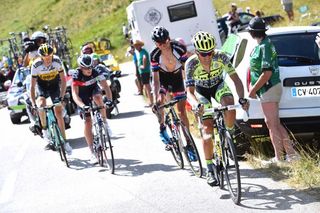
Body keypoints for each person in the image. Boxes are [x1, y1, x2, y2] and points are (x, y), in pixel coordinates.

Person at [185, 31, 249, 186]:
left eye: (210, 52)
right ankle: (209, 168)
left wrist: (241, 98)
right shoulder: (191, 64)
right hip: (201, 92)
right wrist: (196, 105)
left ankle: (229, 134)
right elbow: (189, 92)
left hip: (218, 85)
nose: (207, 56)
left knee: (229, 103)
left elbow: (236, 81)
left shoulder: (221, 57)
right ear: (196, 51)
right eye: (203, 54)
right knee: (207, 133)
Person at [247, 17, 298, 162]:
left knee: (271, 124)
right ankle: (291, 155)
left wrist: (253, 89)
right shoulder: (264, 44)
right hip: (269, 88)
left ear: (252, 32)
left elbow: (267, 72)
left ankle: (279, 157)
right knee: (274, 123)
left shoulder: (265, 46)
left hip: (268, 88)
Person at [150, 26, 195, 160]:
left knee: (181, 111)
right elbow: (156, 79)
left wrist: (189, 85)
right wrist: (156, 96)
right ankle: (162, 126)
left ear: (169, 39)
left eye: (165, 41)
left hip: (177, 78)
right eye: (159, 43)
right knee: (159, 102)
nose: (163, 45)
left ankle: (189, 142)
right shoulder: (154, 55)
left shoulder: (179, 48)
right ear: (156, 44)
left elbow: (186, 69)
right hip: (163, 79)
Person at [30, 44, 72, 154]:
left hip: (54, 87)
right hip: (41, 86)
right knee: (41, 105)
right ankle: (45, 131)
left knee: (58, 113)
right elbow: (32, 86)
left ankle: (65, 142)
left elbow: (63, 81)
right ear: (41, 57)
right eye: (45, 58)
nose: (48, 60)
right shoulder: (36, 65)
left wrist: (61, 97)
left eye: (50, 57)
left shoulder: (57, 61)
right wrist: (34, 103)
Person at [71, 54, 112, 164]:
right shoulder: (76, 75)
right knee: (88, 122)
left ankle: (104, 122)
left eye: (90, 67)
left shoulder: (96, 71)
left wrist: (109, 99)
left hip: (94, 90)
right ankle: (92, 152)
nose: (89, 70)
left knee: (98, 97)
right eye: (85, 68)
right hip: (82, 97)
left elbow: (106, 87)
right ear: (80, 67)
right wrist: (83, 106)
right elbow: (75, 95)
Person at [133, 39, 153, 106]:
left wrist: (143, 66)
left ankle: (150, 102)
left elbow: (144, 58)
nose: (135, 47)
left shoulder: (143, 52)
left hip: (145, 71)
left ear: (139, 46)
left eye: (136, 46)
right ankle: (150, 101)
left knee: (147, 87)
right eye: (135, 46)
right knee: (147, 86)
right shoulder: (141, 52)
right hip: (143, 72)